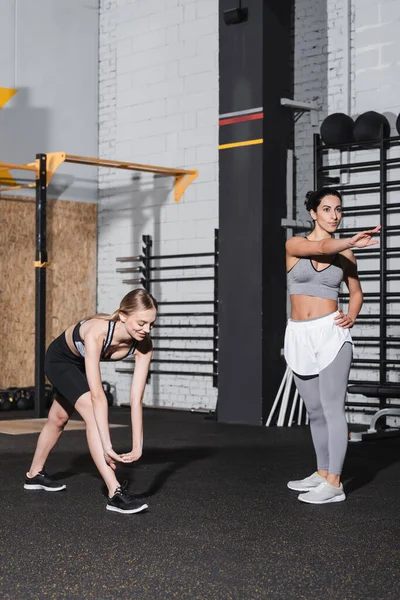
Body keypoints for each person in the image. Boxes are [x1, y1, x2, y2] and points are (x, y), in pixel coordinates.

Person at [284, 187, 380, 504]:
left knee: (332, 408)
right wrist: (351, 241)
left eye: (338, 210)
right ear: (313, 213)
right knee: (314, 411)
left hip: (330, 334)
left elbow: (356, 293)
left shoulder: (345, 255)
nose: (334, 215)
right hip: (298, 333)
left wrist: (351, 315)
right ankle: (323, 472)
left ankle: (335, 484)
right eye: (327, 209)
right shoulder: (295, 244)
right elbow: (322, 246)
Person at [24, 288, 157, 514]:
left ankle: (34, 474)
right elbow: (98, 396)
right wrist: (107, 446)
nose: (146, 330)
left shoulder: (144, 344)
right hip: (59, 361)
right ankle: (114, 492)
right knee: (92, 412)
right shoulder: (97, 332)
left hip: (77, 364)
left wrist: (138, 446)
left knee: (58, 419)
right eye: (142, 323)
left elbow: (136, 398)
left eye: (151, 324)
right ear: (123, 316)